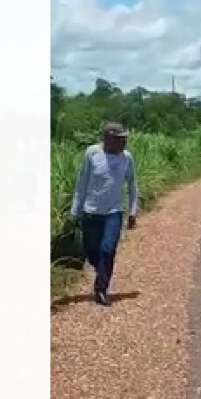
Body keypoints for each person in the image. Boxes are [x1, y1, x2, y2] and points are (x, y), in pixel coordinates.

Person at [70, 122, 138, 306]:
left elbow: (132, 185)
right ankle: (101, 270)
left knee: (107, 250)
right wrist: (74, 211)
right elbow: (81, 183)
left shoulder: (127, 158)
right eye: (120, 139)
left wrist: (133, 211)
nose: (124, 142)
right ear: (108, 138)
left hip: (113, 212)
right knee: (92, 252)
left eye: (125, 139)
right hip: (90, 212)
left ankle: (101, 289)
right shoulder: (92, 153)